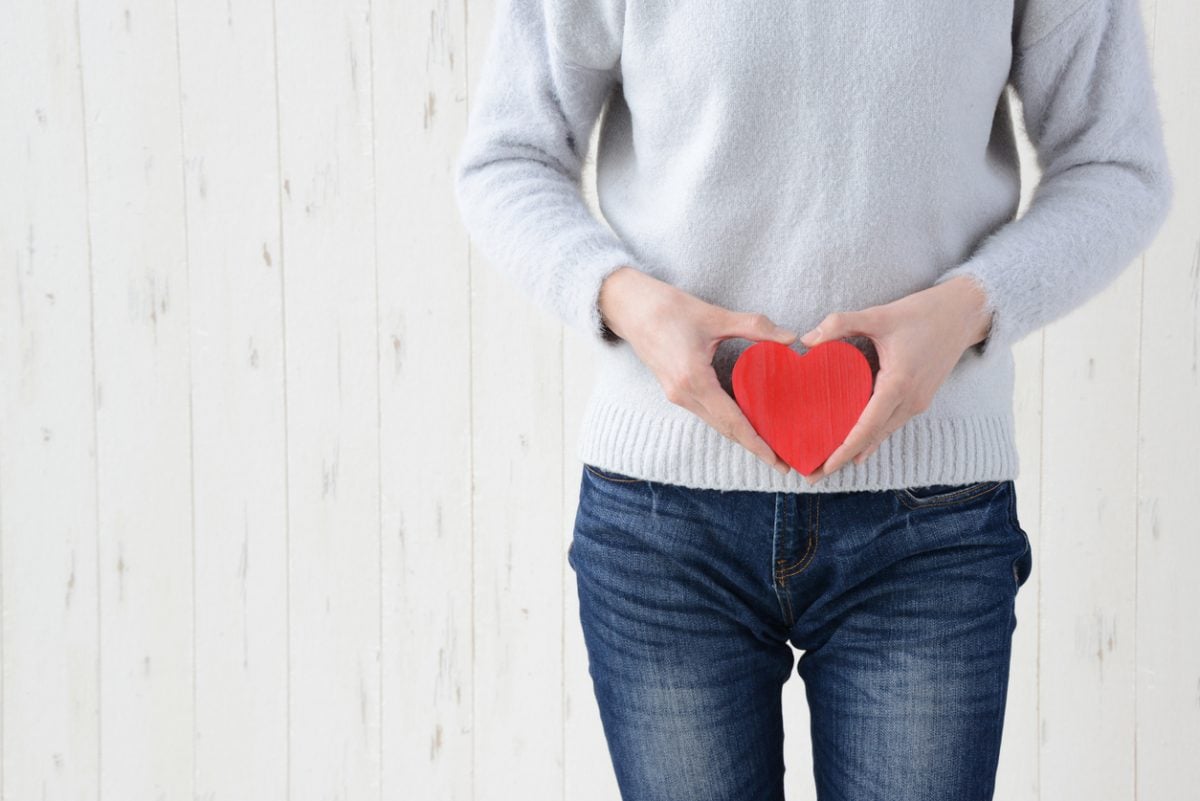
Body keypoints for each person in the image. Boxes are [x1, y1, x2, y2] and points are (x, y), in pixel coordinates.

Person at [454, 0, 1173, 799]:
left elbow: (1117, 165)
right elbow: (506, 158)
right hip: (662, 531)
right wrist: (632, 303)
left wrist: (970, 306)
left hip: (928, 529)